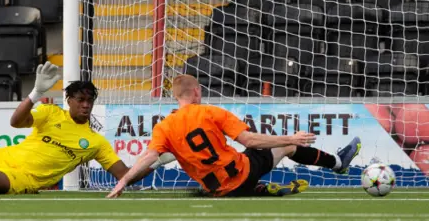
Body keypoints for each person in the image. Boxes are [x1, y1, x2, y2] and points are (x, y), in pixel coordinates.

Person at [107, 74, 362, 198]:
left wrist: (124, 180)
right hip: (240, 173)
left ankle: (259, 191)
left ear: (176, 95)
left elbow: (148, 156)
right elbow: (250, 140)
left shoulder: (164, 127)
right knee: (282, 148)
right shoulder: (211, 112)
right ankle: (339, 164)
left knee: (236, 162)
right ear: (196, 91)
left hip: (216, 190)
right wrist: (290, 139)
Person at [0, 62, 153, 195]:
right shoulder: (50, 113)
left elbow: (124, 176)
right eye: (80, 100)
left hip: (26, 178)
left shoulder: (95, 143)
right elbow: (15, 122)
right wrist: (35, 93)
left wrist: (156, 160)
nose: (85, 105)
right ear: (69, 100)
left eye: (89, 101)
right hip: (1, 155)